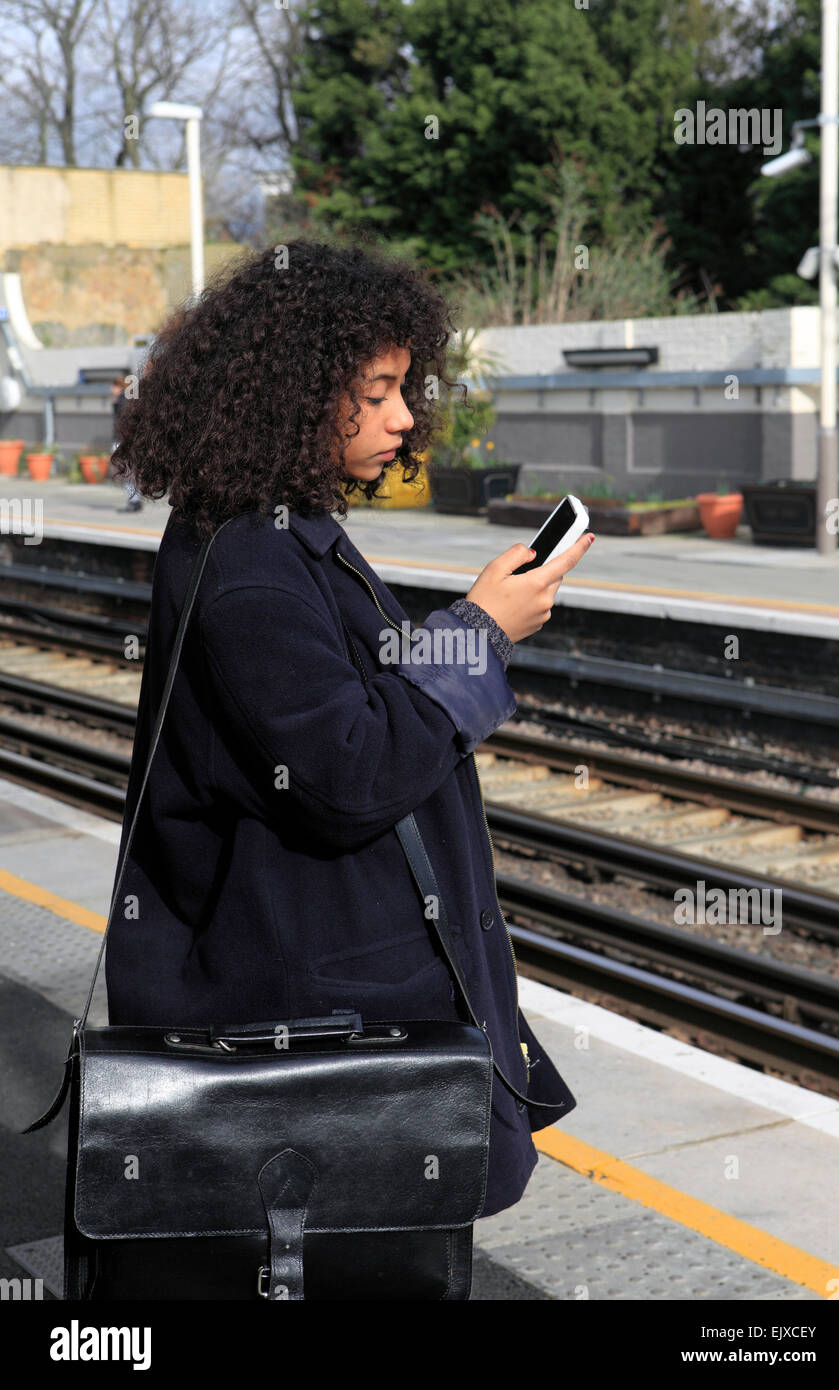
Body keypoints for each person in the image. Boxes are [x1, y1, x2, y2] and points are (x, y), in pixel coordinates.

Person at [105, 238, 595, 1250]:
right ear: (292, 396)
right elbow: (348, 770)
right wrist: (479, 630)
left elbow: (353, 704)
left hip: (339, 1013)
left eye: (403, 389)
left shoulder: (274, 534)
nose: (405, 418)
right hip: (326, 1043)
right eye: (374, 394)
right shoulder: (250, 566)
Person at [110, 374, 142, 511]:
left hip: (122, 441)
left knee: (126, 472)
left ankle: (134, 501)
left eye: (113, 386)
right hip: (125, 441)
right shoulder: (127, 400)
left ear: (118, 386)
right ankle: (135, 500)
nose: (111, 389)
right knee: (129, 472)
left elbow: (122, 423)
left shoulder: (123, 401)